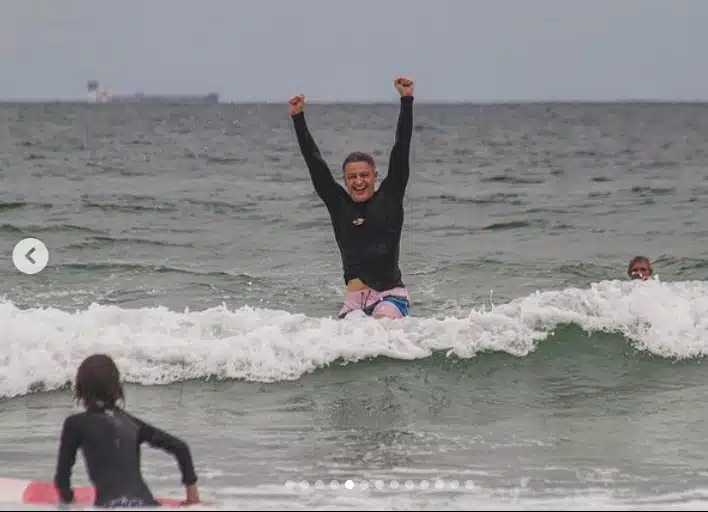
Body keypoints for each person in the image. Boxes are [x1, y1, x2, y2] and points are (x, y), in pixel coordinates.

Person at [289, 76, 415, 320]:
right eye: (352, 177)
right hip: (354, 301)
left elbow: (402, 147)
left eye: (365, 175)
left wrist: (406, 99)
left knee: (381, 324)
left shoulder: (390, 197)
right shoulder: (339, 204)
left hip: (390, 296)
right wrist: (298, 117)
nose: (359, 182)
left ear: (375, 176)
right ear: (345, 180)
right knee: (344, 336)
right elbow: (314, 162)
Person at [53, 353, 200, 508]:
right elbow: (180, 447)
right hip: (148, 505)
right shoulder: (131, 423)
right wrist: (192, 498)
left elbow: (62, 481)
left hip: (111, 506)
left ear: (80, 388)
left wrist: (68, 501)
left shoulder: (75, 424)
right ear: (117, 387)